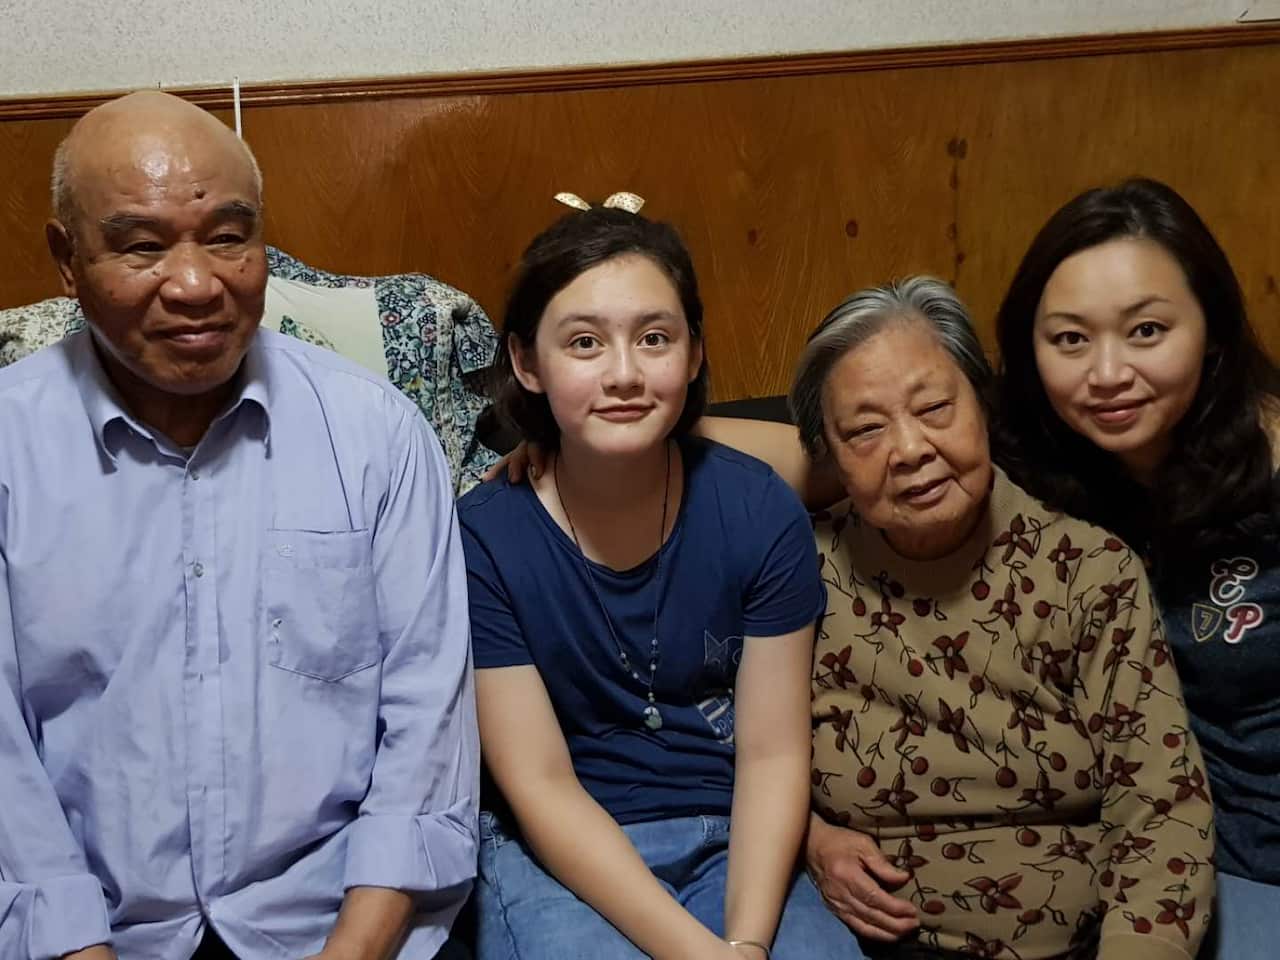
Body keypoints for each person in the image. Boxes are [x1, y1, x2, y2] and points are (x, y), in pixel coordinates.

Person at [0, 91, 477, 960]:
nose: (195, 285)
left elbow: (426, 734)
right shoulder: (8, 448)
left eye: (228, 236)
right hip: (77, 936)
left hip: (338, 925)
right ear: (67, 261)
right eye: (141, 246)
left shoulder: (376, 434)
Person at [458, 194, 865, 960]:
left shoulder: (755, 508)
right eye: (583, 343)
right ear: (525, 362)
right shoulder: (485, 537)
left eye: (654, 338)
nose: (623, 374)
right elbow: (540, 784)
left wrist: (744, 943)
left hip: (734, 836)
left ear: (695, 354)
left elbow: (774, 753)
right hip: (563, 853)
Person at [790, 277, 1213, 959]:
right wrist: (807, 836)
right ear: (828, 455)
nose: (909, 450)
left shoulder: (1090, 570)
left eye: (934, 408)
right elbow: (722, 755)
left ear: (981, 406)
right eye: (866, 429)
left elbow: (1161, 807)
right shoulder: (797, 571)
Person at [991, 177, 1280, 959]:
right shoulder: (1013, 464)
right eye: (1071, 340)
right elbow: (802, 452)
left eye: (1147, 331)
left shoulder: (1273, 462)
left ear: (1213, 329)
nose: (1107, 373)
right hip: (1140, 861)